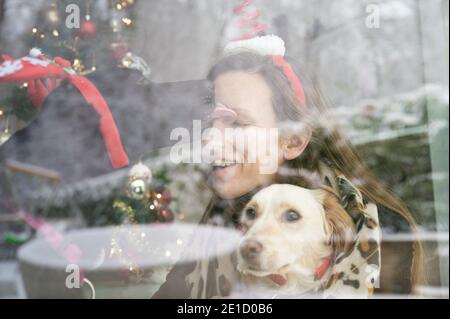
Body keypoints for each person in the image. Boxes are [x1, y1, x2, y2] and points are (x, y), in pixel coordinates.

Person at [153, 36, 422, 298]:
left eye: (237, 123)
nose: (209, 138)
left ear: (293, 141)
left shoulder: (376, 232)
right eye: (212, 121)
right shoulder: (228, 211)